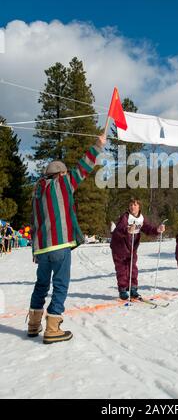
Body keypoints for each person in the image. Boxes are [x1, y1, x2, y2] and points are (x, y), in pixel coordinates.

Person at [27, 135, 106, 344]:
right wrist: (98, 145)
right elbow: (84, 166)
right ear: (60, 173)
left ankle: (33, 324)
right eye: (64, 172)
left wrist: (35, 250)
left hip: (42, 248)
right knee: (60, 284)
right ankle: (53, 327)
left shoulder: (37, 192)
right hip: (60, 245)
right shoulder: (64, 183)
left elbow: (34, 223)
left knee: (41, 285)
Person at [110, 198, 165, 300]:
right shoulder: (125, 217)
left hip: (132, 248)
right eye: (131, 205)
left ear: (139, 206)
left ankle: (133, 288)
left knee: (133, 268)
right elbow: (119, 229)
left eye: (135, 205)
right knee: (122, 269)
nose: (132, 207)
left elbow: (148, 228)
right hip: (119, 247)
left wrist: (157, 229)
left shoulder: (141, 218)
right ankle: (123, 290)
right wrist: (127, 230)